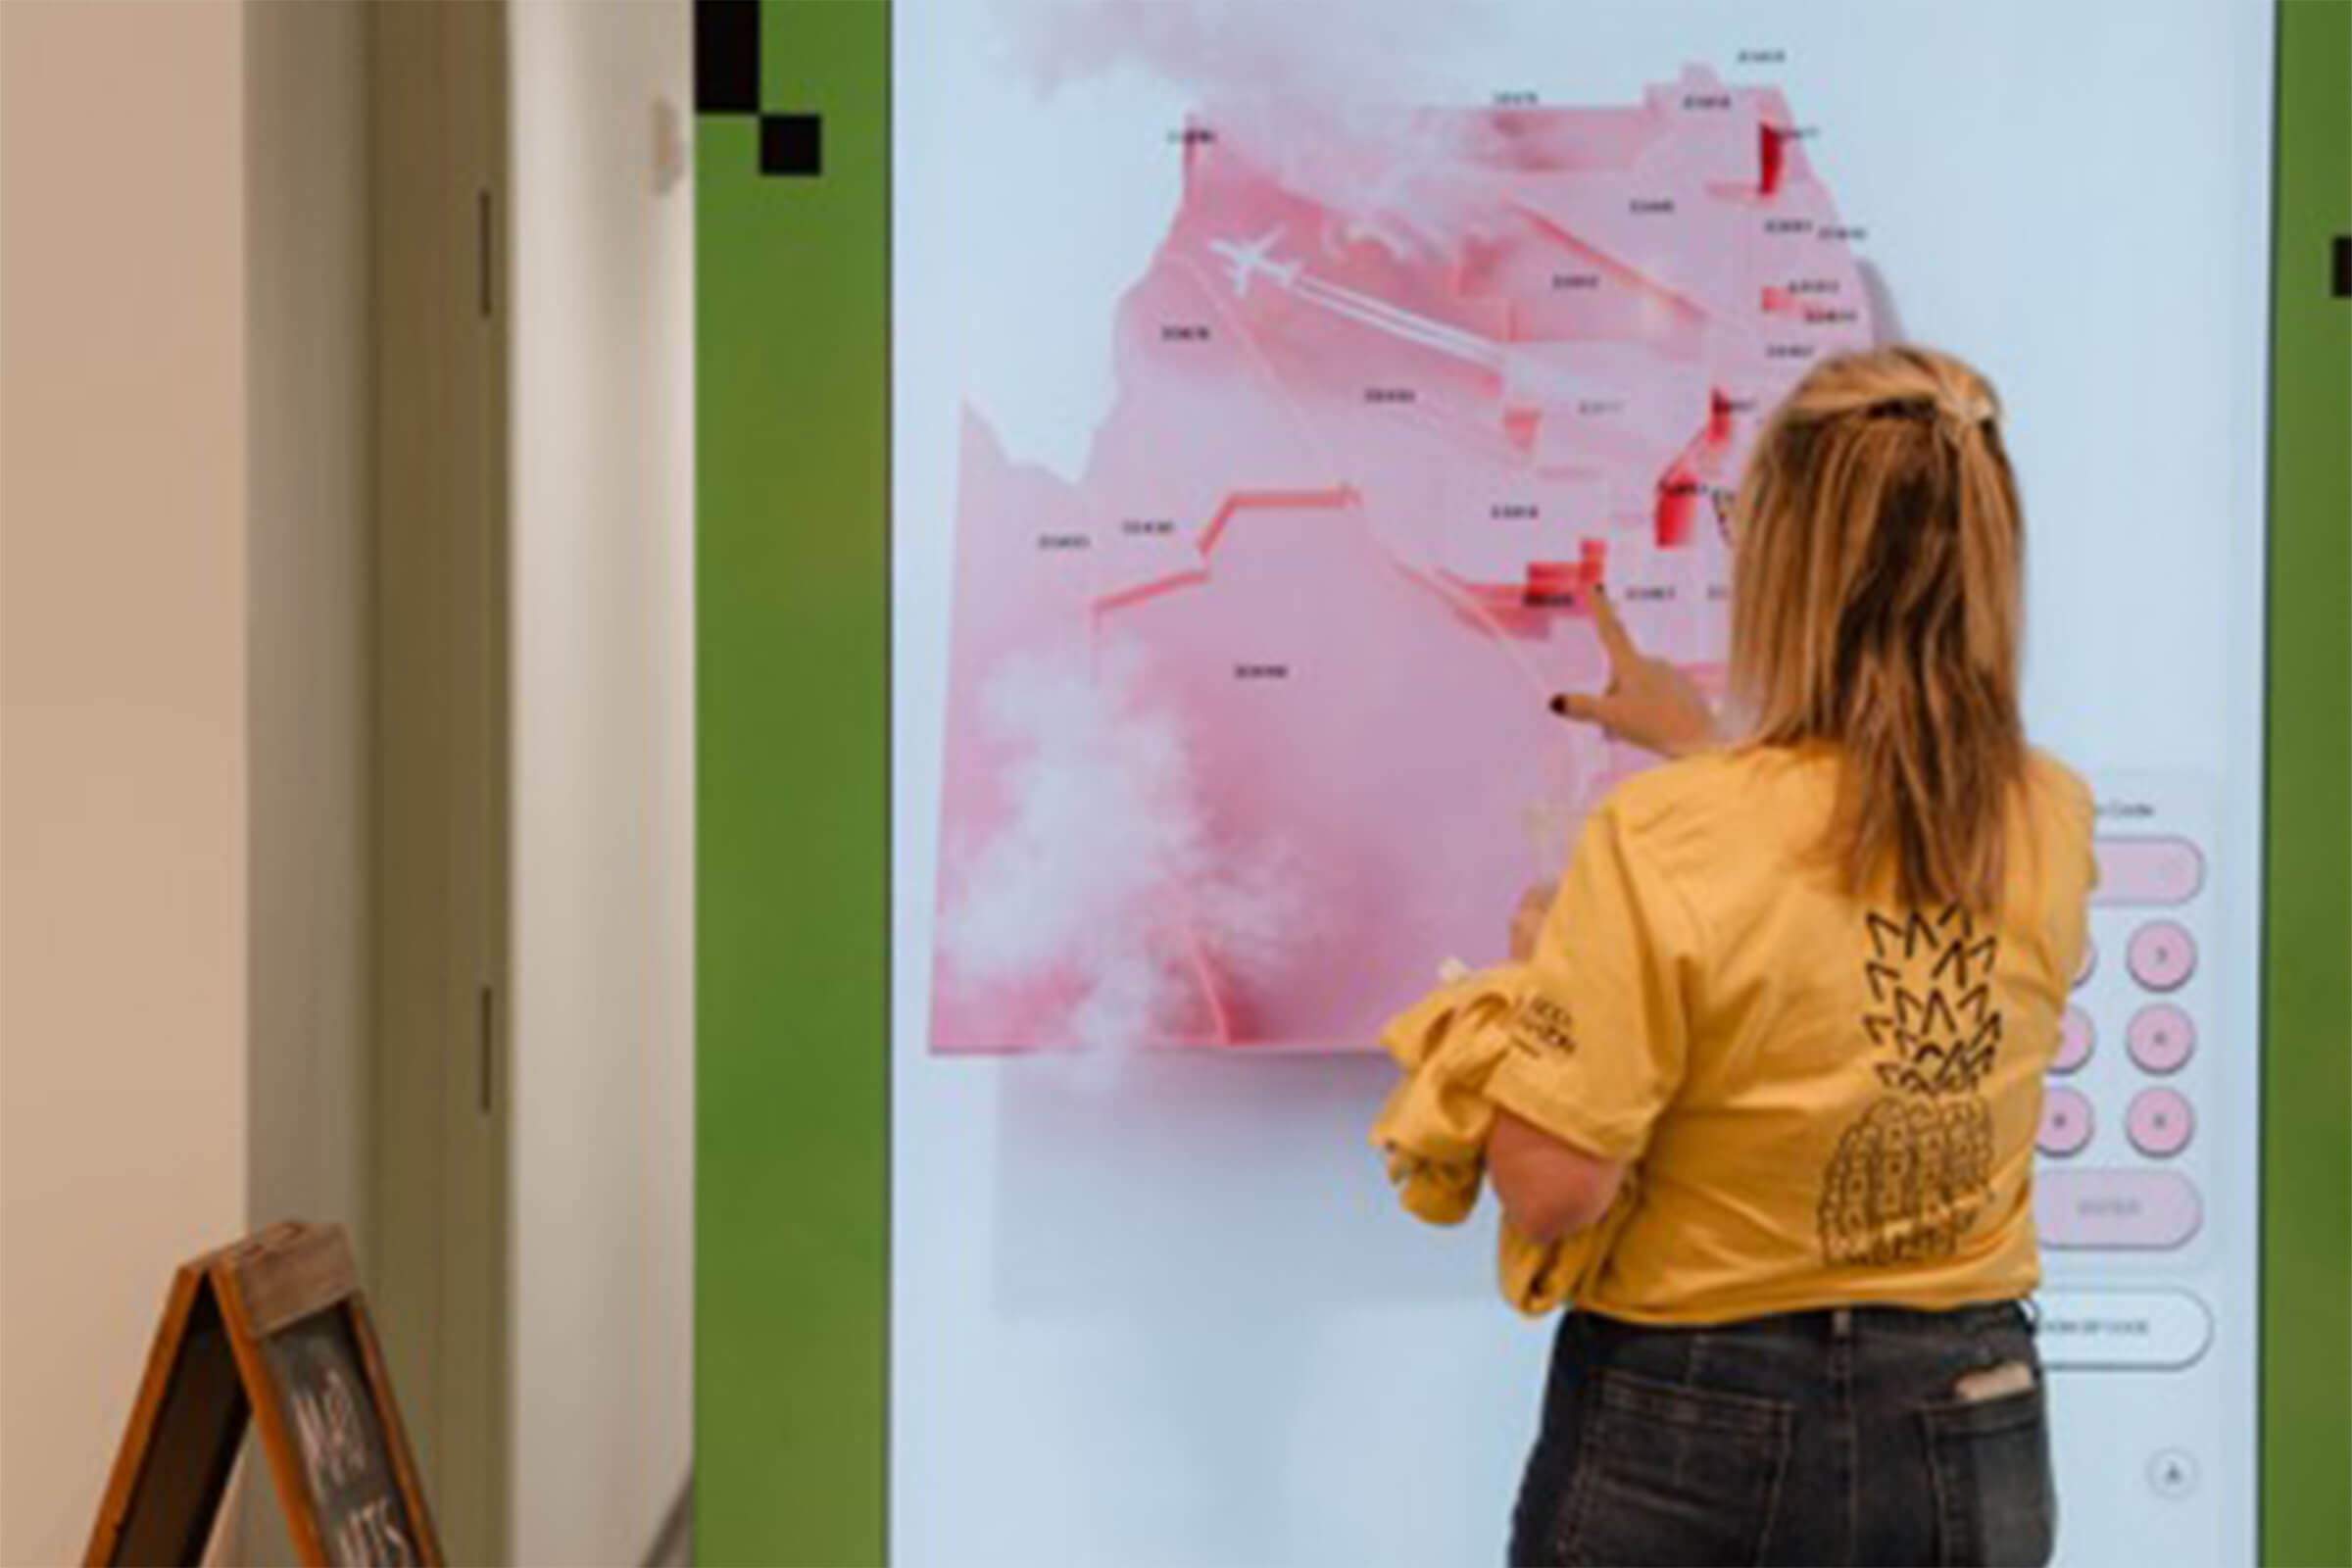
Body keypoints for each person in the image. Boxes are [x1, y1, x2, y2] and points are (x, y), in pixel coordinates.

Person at [1484, 346, 2093, 1567]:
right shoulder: (2048, 816)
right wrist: (1706, 746)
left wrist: (1533, 980)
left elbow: (1552, 1190)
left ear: (1785, 562)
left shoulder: (1661, 837)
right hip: (1971, 1416)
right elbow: (1849, 860)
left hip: (1689, 1422)